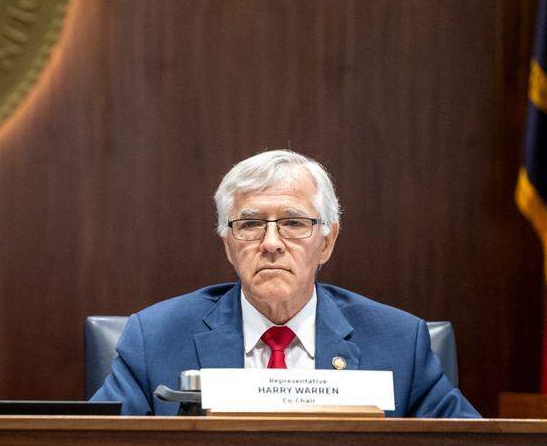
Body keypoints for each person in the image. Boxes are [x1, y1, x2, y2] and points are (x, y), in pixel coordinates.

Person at [91, 149, 479, 417]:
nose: (272, 243)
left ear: (327, 242)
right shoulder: (156, 337)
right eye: (250, 224)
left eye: (294, 223)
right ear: (228, 245)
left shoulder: (397, 341)